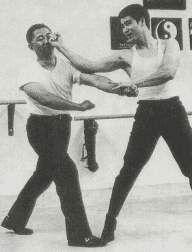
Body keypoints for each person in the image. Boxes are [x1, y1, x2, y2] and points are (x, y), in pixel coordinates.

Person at [50, 4, 192, 247]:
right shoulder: (126, 56)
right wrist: (61, 46)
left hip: (173, 111)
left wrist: (136, 84)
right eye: (121, 26)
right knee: (128, 171)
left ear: (143, 22)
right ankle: (110, 224)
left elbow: (168, 71)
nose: (125, 29)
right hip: (147, 114)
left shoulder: (168, 44)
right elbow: (87, 65)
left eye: (128, 23)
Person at [0, 23, 137, 248]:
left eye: (48, 36)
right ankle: (79, 235)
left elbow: (94, 79)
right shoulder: (27, 71)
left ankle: (14, 220)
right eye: (40, 39)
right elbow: (44, 97)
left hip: (62, 127)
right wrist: (77, 106)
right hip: (40, 129)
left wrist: (118, 88)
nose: (46, 41)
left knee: (43, 175)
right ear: (31, 46)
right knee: (67, 172)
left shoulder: (65, 66)